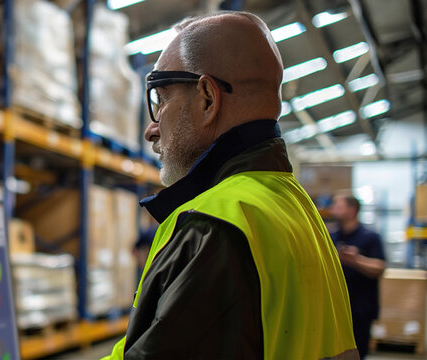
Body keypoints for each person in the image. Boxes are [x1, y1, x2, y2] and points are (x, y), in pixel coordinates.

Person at [102, 11, 357, 359]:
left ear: (207, 98)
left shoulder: (213, 228)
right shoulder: (296, 208)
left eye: (161, 101)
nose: (151, 129)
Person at [330, 193, 387, 359]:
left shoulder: (370, 237)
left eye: (338, 206)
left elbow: (379, 267)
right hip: (336, 308)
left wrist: (355, 260)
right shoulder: (332, 237)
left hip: (361, 308)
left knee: (358, 352)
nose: (333, 209)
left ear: (352, 210)